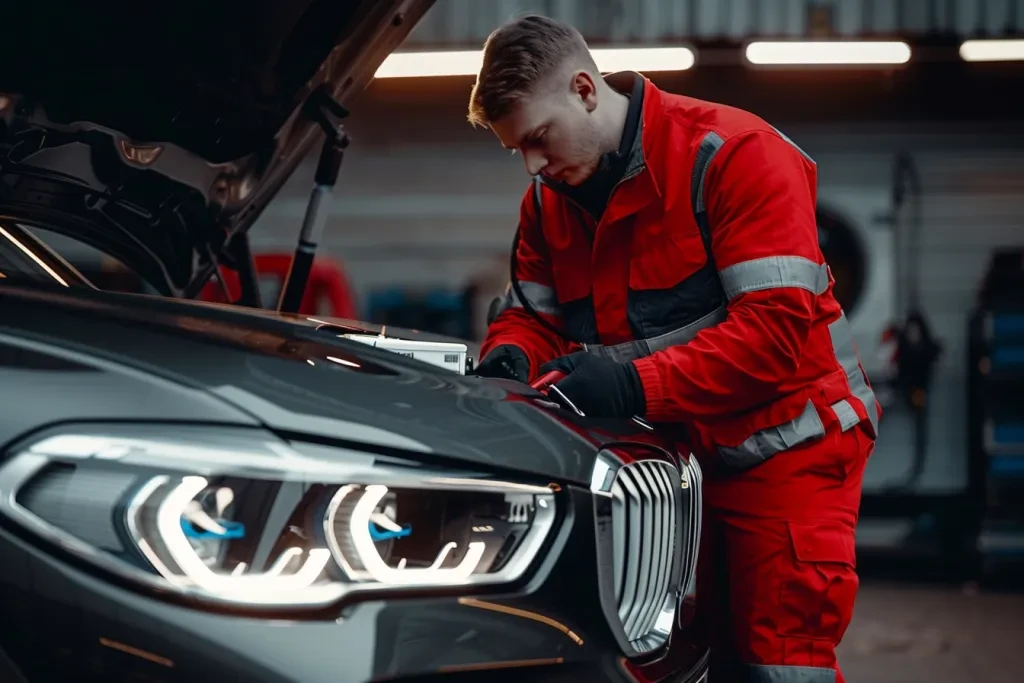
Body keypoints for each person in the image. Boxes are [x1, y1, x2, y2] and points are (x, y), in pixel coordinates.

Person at [468, 14, 881, 683]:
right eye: (517, 149)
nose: (533, 166)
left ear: (584, 89)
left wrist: (631, 385)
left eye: (539, 139)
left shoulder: (734, 156)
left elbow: (774, 333)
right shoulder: (550, 203)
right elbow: (529, 317)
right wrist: (511, 354)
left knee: (773, 662)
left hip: (786, 450)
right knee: (670, 661)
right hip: (675, 469)